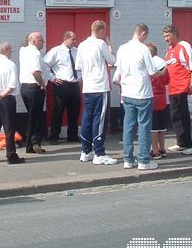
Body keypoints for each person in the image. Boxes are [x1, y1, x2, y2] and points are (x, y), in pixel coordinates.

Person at [114, 24, 160, 170]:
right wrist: (162, 72)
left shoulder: (122, 48)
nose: (146, 38)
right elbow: (152, 72)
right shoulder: (144, 49)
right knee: (144, 127)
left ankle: (128, 159)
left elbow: (118, 71)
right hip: (143, 93)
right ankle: (143, 161)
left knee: (128, 126)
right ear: (143, 33)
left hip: (127, 92)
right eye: (146, 35)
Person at [75, 20, 118, 165]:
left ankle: (86, 150)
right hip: (100, 86)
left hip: (87, 87)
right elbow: (112, 60)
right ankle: (99, 152)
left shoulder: (81, 45)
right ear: (100, 30)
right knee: (100, 119)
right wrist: (110, 46)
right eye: (104, 31)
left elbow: (78, 66)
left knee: (87, 117)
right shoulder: (101, 44)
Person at [162, 24, 192, 155]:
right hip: (173, 89)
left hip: (184, 88)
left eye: (167, 36)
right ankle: (181, 142)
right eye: (164, 36)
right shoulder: (169, 51)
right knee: (175, 117)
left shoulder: (184, 46)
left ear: (174, 34)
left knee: (186, 117)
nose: (166, 39)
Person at [44, 31, 81, 144]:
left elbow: (81, 66)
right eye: (73, 39)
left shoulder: (77, 51)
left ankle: (73, 135)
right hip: (61, 84)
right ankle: (54, 136)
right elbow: (44, 64)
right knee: (58, 111)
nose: (75, 41)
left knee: (74, 111)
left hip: (74, 84)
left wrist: (80, 78)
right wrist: (52, 78)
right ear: (65, 39)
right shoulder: (56, 51)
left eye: (75, 39)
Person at [19, 32, 51, 154]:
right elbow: (35, 72)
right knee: (36, 117)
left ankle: (32, 142)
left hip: (24, 88)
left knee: (32, 115)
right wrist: (43, 84)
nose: (43, 42)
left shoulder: (23, 51)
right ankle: (33, 143)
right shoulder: (36, 53)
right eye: (41, 40)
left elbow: (23, 44)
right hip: (34, 87)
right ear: (33, 41)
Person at [147, 43, 170, 158]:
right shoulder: (163, 64)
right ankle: (162, 149)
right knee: (162, 126)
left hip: (152, 97)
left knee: (153, 128)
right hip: (162, 97)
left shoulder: (149, 64)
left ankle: (154, 151)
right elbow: (167, 81)